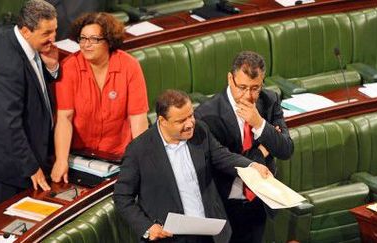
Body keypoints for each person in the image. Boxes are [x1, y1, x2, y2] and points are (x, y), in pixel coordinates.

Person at [113, 89, 272, 243]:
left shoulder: (200, 130)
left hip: (209, 233)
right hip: (169, 237)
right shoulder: (139, 150)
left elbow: (223, 156)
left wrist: (251, 165)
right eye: (181, 121)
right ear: (162, 121)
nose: (190, 124)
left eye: (191, 116)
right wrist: (147, 227)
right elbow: (122, 197)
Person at [195, 51, 294, 243]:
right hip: (224, 205)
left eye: (255, 88)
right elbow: (224, 161)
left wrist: (259, 123)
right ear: (230, 79)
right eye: (242, 87)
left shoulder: (269, 100)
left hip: (259, 200)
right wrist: (261, 151)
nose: (248, 96)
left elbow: (286, 149)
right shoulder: (207, 115)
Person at [0, 0, 59, 208]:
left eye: (55, 30)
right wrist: (31, 167)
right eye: (47, 33)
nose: (53, 38)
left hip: (27, 155)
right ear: (26, 31)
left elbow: (34, 83)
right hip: (10, 165)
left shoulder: (22, 42)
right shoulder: (8, 63)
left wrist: (53, 68)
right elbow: (8, 123)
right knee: (6, 227)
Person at [51, 12, 148, 183]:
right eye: (82, 38)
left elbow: (138, 120)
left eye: (94, 39)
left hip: (118, 156)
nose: (86, 45)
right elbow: (64, 118)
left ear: (109, 41)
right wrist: (61, 160)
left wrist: (141, 161)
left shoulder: (130, 66)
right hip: (80, 157)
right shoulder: (69, 68)